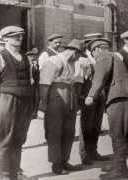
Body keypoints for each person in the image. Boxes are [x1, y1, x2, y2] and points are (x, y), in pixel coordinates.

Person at [85, 30, 128, 179]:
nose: (94, 56)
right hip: (127, 96)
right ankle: (117, 164)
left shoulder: (104, 56)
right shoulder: (114, 57)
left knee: (117, 134)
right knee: (120, 133)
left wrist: (91, 96)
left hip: (120, 98)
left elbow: (99, 78)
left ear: (96, 49)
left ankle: (121, 171)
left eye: (93, 53)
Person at [0, 26, 33, 180]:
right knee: (4, 141)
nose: (19, 39)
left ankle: (16, 173)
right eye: (14, 36)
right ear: (5, 39)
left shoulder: (25, 58)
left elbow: (30, 81)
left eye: (20, 36)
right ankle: (5, 176)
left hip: (24, 103)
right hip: (7, 101)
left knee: (18, 139)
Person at [38, 39, 86, 175]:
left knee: (69, 131)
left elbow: (73, 83)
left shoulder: (72, 63)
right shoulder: (53, 61)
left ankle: (65, 160)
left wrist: (75, 102)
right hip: (55, 96)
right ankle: (56, 164)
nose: (79, 58)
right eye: (79, 55)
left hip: (69, 96)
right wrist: (44, 104)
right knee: (55, 131)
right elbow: (44, 84)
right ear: (74, 52)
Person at [79, 37, 111, 165]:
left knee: (96, 125)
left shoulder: (100, 59)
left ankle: (93, 151)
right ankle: (85, 154)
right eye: (103, 48)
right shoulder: (83, 60)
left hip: (100, 95)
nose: (105, 51)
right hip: (88, 96)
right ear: (93, 49)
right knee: (86, 125)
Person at [38, 33, 64, 140]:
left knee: (58, 111)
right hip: (49, 84)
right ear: (50, 42)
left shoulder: (60, 53)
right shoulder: (45, 54)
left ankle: (56, 133)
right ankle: (48, 135)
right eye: (55, 42)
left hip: (59, 85)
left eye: (59, 42)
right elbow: (42, 70)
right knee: (49, 111)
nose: (58, 44)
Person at [26, 47, 40, 119]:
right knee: (29, 99)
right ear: (27, 57)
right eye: (30, 56)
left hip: (35, 84)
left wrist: (35, 66)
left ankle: (34, 113)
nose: (32, 57)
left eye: (33, 56)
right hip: (28, 84)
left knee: (36, 98)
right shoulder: (26, 65)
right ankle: (29, 113)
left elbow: (38, 73)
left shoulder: (35, 64)